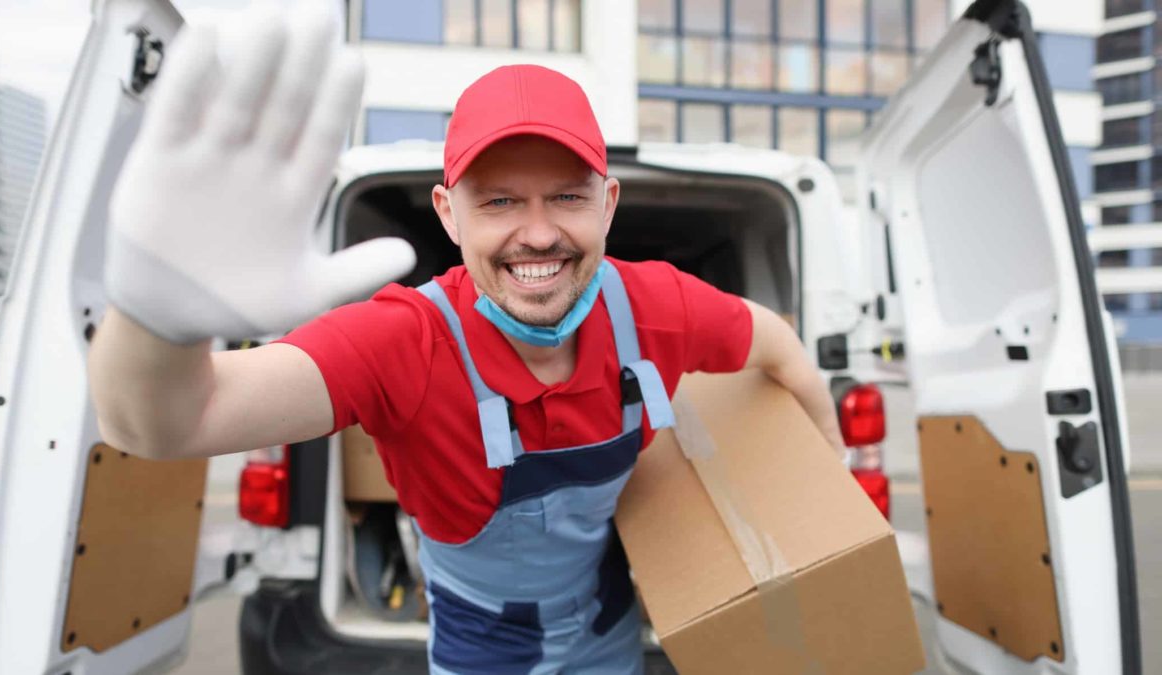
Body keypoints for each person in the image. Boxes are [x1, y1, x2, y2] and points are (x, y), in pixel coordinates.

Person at [88, 4, 846, 673]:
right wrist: (156, 315)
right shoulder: (404, 341)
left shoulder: (656, 308)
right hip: (483, 655)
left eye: (568, 196)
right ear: (448, 214)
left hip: (610, 638)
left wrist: (826, 482)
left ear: (608, 204)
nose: (539, 232)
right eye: (501, 200)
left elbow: (776, 343)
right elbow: (164, 421)